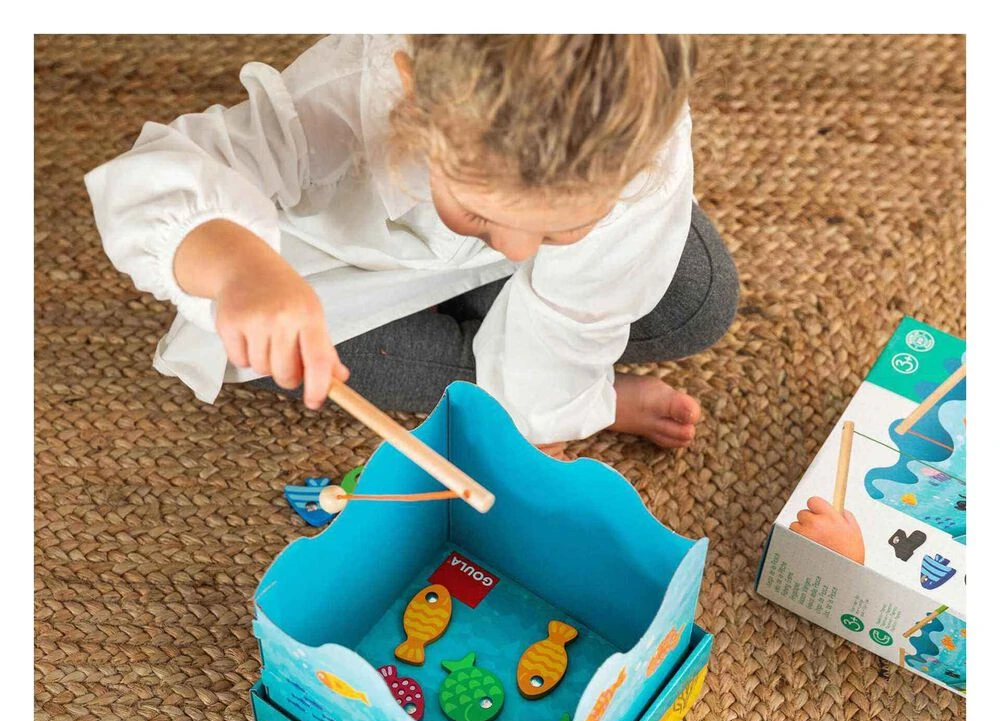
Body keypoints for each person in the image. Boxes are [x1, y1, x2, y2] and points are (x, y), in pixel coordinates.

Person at [86, 34, 739, 458]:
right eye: (480, 211)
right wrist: (241, 272)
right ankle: (561, 387)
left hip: (486, 270)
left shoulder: (642, 152)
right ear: (415, 98)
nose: (519, 248)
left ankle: (546, 381)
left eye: (561, 225)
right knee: (284, 353)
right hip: (340, 274)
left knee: (698, 298)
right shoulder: (344, 98)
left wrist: (546, 407)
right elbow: (161, 179)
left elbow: (580, 292)